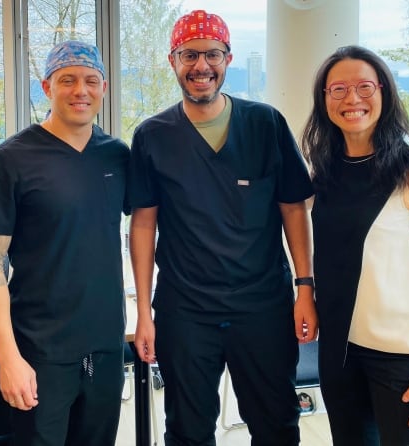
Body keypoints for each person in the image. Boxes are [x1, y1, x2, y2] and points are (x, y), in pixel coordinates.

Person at [128, 9, 318, 445]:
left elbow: (294, 209)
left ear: (228, 58)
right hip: (186, 309)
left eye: (212, 54)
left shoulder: (265, 124)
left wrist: (305, 288)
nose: (201, 66)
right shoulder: (153, 136)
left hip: (263, 305)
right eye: (189, 55)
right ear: (172, 60)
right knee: (187, 429)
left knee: (276, 423)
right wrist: (144, 313)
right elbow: (143, 225)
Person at [301, 45, 409, 445]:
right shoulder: (322, 174)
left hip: (402, 354)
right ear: (324, 101)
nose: (351, 99)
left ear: (384, 93)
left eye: (364, 86)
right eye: (337, 89)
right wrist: (303, 289)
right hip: (338, 351)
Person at [0, 40, 129, 446]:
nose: (81, 90)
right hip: (40, 350)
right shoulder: (9, 160)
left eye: (91, 81)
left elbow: (145, 226)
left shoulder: (117, 157)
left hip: (106, 346)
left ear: (104, 88)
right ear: (46, 87)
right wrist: (8, 358)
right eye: (67, 80)